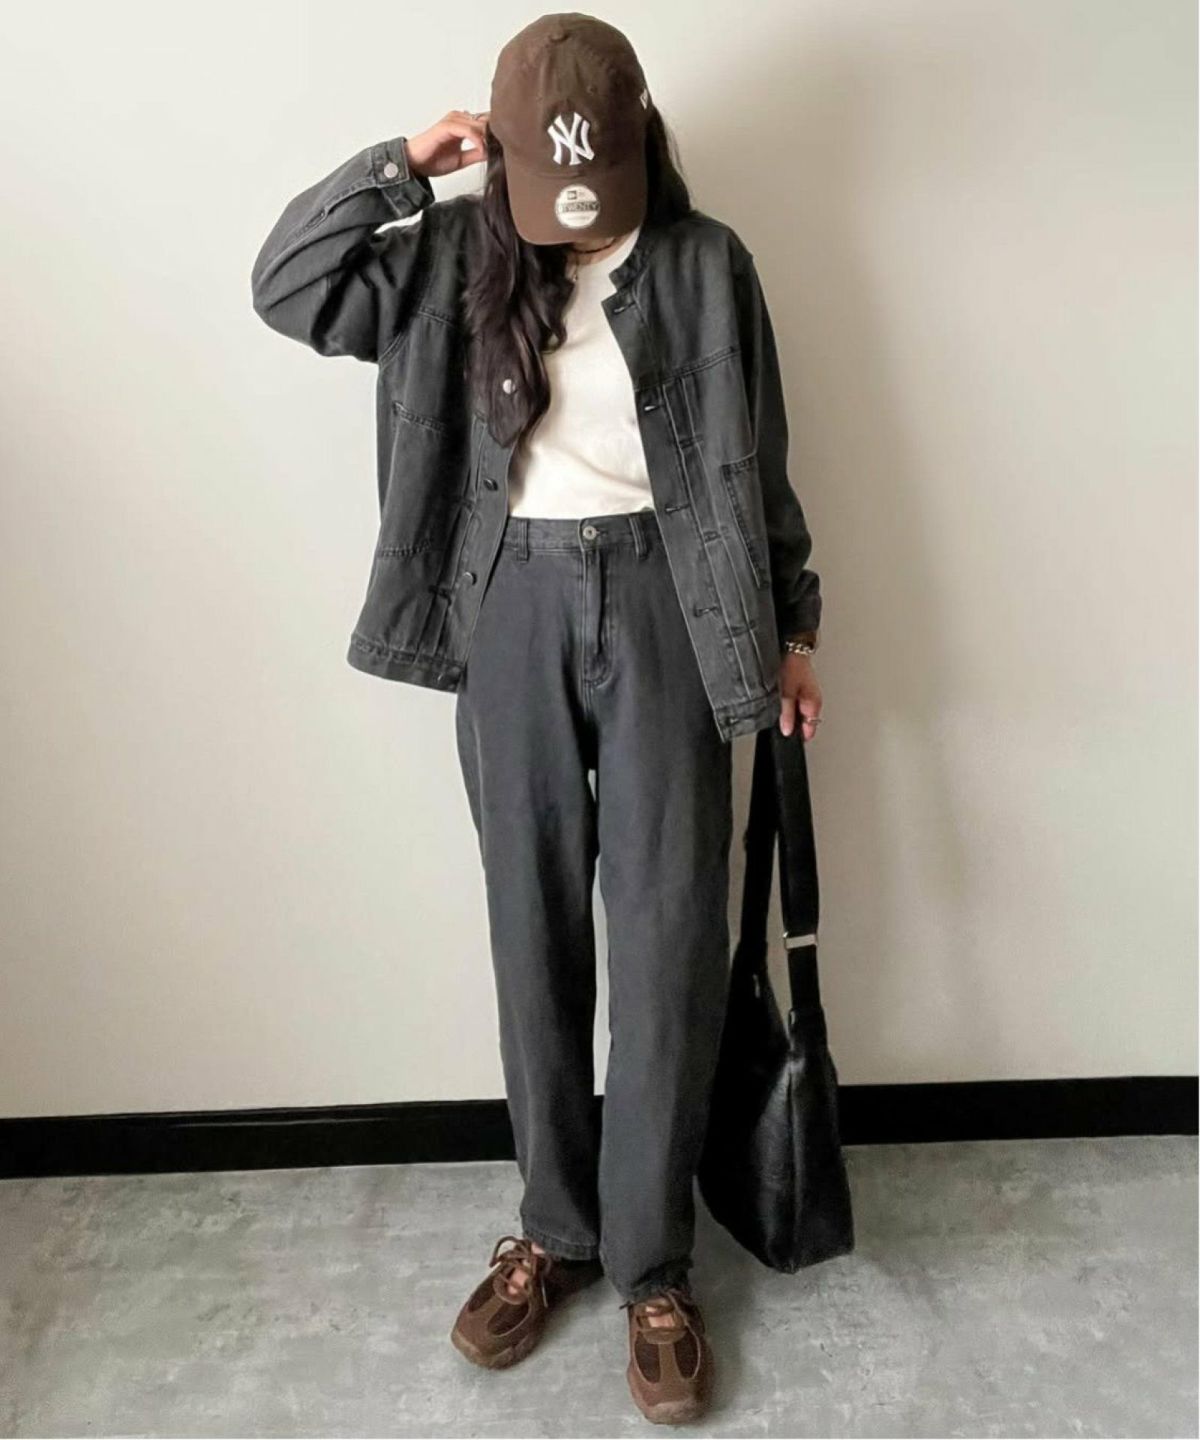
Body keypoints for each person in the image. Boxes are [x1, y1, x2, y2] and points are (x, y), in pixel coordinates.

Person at [250, 11, 823, 1424]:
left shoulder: (706, 263)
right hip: (508, 597)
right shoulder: (451, 256)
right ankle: (555, 1231)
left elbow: (757, 459)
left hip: (673, 602)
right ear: (501, 156)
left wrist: (796, 625)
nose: (578, 218)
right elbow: (287, 287)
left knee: (671, 932)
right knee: (534, 924)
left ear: (639, 146)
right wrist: (401, 164)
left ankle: (651, 1264)